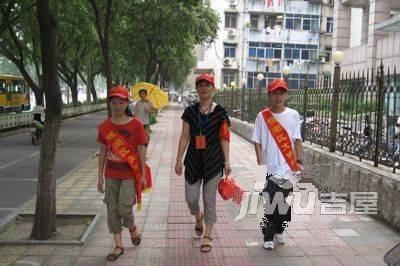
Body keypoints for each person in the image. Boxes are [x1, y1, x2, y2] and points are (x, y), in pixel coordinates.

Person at [175, 73, 231, 253]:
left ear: (213, 89)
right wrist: (178, 159)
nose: (204, 88)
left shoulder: (221, 112)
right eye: (200, 85)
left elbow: (224, 137)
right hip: (193, 161)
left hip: (213, 161)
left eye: (208, 85)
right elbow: (184, 136)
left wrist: (227, 161)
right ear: (197, 89)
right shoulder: (190, 112)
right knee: (191, 198)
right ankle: (197, 218)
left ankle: (208, 234)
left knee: (209, 200)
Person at [252, 78, 307, 250]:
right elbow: (257, 141)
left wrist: (299, 161)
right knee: (270, 202)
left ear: (287, 95)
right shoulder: (262, 116)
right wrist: (260, 162)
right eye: (275, 93)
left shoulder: (293, 115)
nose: (278, 96)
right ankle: (268, 235)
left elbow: (297, 140)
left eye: (282, 93)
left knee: (283, 202)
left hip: (288, 167)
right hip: (269, 168)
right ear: (269, 95)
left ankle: (279, 229)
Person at [97, 85, 148, 261]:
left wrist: (142, 175)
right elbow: (103, 151)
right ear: (110, 103)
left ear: (127, 103)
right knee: (112, 209)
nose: (117, 106)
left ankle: (132, 227)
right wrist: (100, 177)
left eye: (121, 102)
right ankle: (118, 245)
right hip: (110, 174)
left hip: (129, 174)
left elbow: (141, 150)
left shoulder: (136, 125)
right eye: (114, 102)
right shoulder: (105, 127)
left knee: (124, 209)